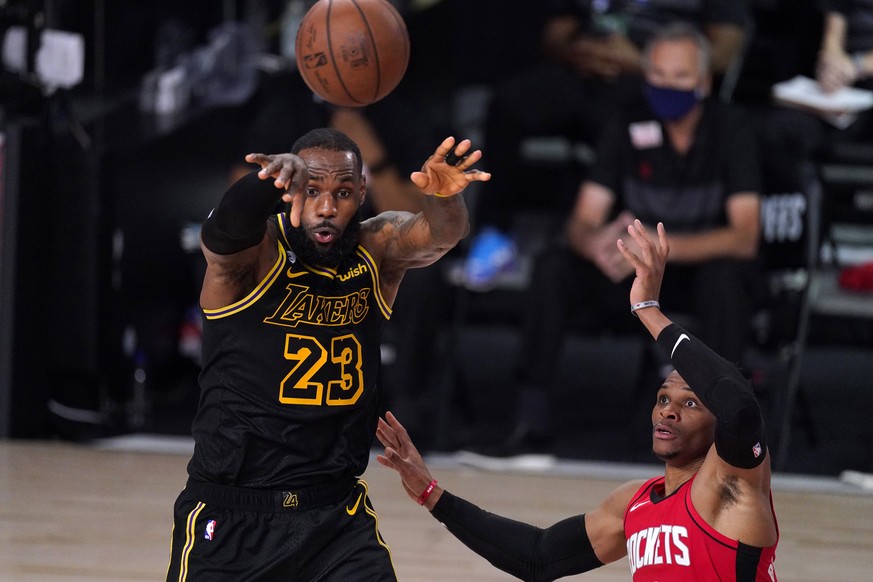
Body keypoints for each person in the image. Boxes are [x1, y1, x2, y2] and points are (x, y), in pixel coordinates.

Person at [165, 128, 489, 580]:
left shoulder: (376, 249)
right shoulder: (254, 254)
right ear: (289, 191)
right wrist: (265, 181)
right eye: (311, 190)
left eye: (342, 193)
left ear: (361, 192)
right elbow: (221, 232)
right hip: (234, 511)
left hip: (335, 517)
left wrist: (443, 197)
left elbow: (439, 236)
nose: (326, 208)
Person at [377, 220, 779, 581]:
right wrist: (431, 494)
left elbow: (740, 405)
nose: (668, 410)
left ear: (717, 424)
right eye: (662, 398)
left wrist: (648, 310)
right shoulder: (634, 504)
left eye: (691, 403)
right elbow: (537, 557)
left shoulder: (732, 486)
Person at [480, 22, 763, 456]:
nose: (668, 87)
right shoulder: (627, 122)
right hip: (635, 280)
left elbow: (744, 237)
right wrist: (597, 245)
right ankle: (530, 420)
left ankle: (724, 431)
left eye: (680, 77)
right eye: (658, 76)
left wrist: (656, 249)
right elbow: (583, 221)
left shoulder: (733, 130)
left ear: (704, 83)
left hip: (696, 273)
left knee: (727, 280)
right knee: (555, 268)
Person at [464, 0, 751, 289]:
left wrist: (646, 64)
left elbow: (726, 47)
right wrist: (578, 51)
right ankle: (496, 232)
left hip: (654, 78)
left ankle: (627, 242)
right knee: (507, 104)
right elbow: (556, 31)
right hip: (584, 69)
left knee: (620, 125)